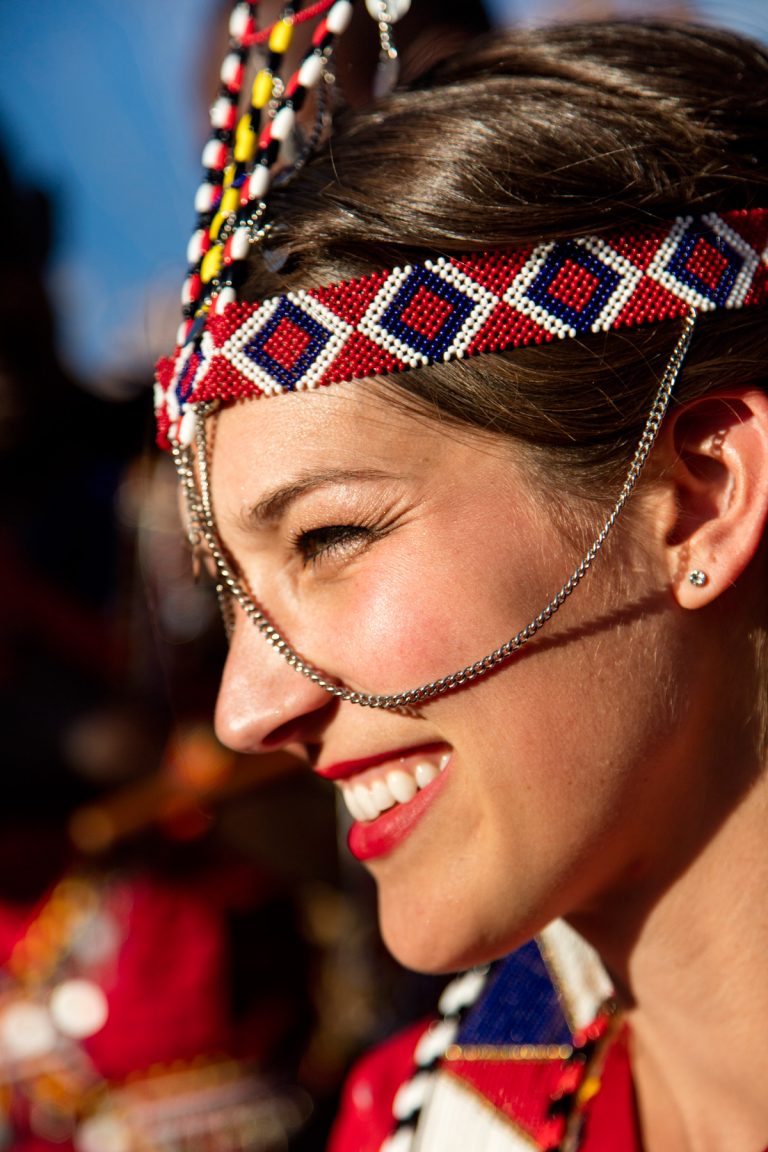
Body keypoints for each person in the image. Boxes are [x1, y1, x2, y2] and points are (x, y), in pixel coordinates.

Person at [154, 5, 768, 1150]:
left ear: (703, 489)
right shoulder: (419, 1121)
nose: (249, 711)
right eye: (231, 585)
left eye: (328, 538)